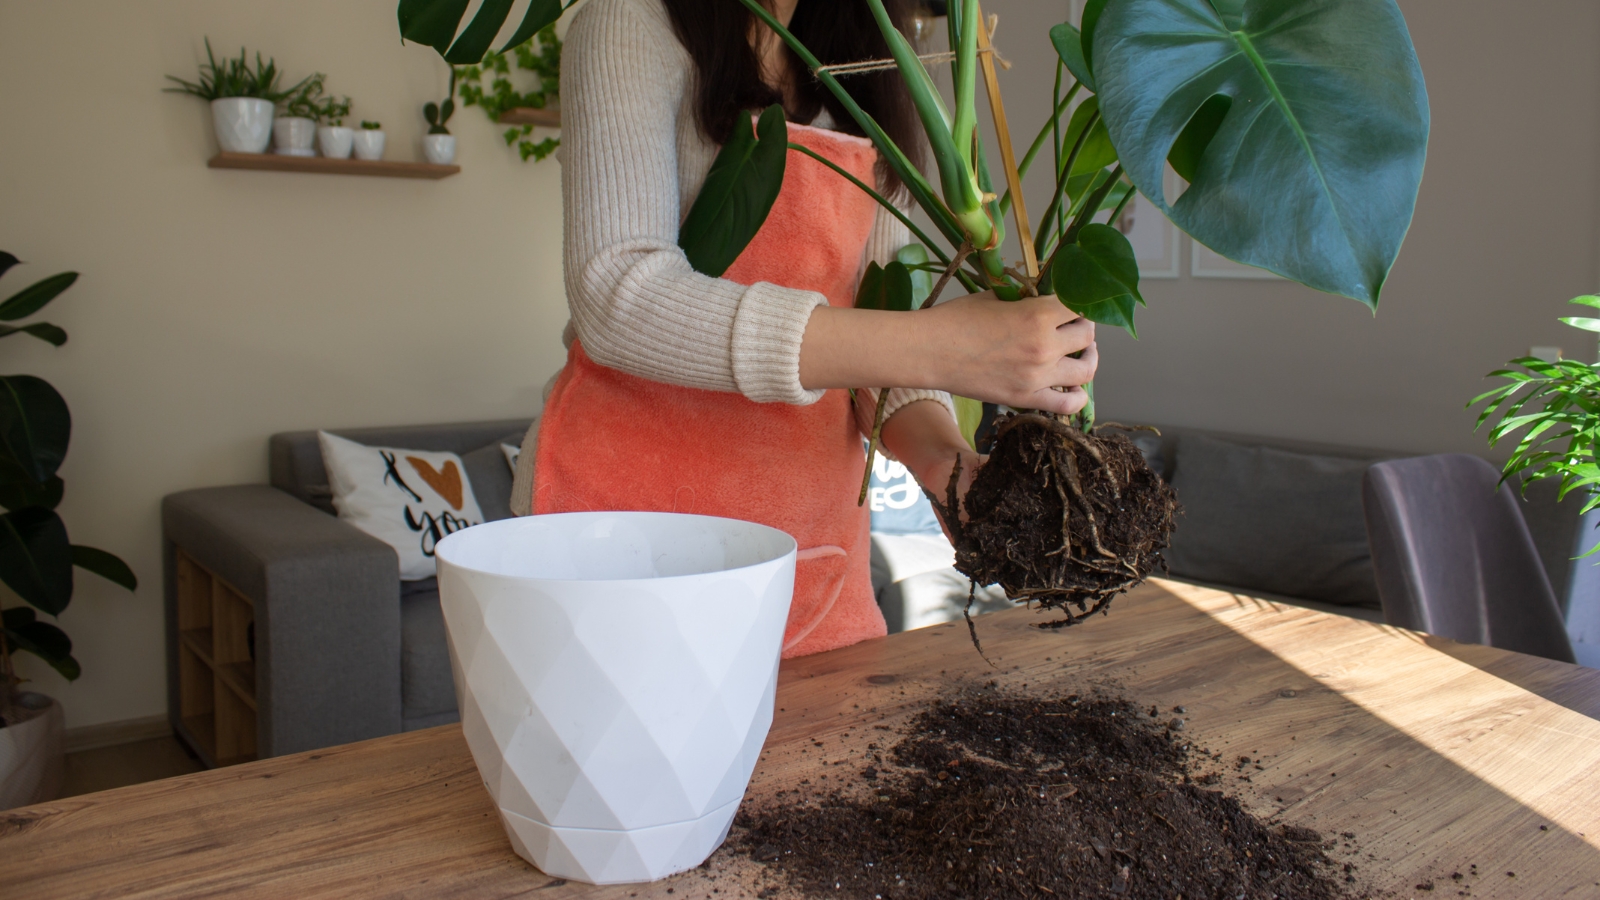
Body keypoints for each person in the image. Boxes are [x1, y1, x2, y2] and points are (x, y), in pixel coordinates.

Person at [511, 0, 1098, 658]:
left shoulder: (876, 63)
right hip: (624, 535)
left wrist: (948, 465)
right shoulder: (631, 22)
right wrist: (946, 349)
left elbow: (871, 335)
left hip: (812, 549)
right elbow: (618, 296)